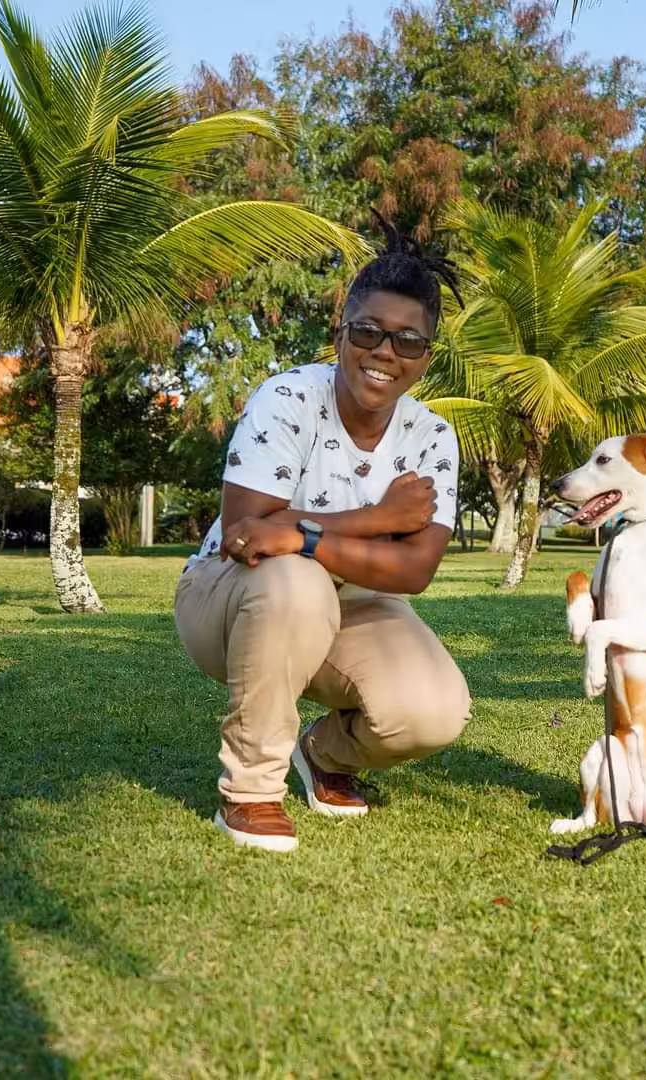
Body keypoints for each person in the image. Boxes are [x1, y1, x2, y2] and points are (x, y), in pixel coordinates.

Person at [174, 219, 472, 853]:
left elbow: (415, 571)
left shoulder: (433, 438)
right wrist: (378, 520)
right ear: (342, 330)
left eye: (407, 342)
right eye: (367, 331)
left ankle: (325, 753)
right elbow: (245, 537)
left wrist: (302, 535)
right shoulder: (287, 399)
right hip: (226, 597)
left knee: (434, 711)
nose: (383, 352)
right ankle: (252, 790)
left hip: (351, 601)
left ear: (427, 355)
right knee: (292, 577)